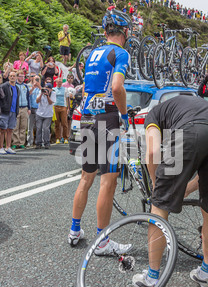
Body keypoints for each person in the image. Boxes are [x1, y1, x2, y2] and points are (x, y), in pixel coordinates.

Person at [132, 95, 208, 287]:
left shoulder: (153, 114)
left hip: (188, 131)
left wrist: (157, 187)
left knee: (159, 208)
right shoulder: (195, 105)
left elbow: (152, 153)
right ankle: (206, 274)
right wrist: (184, 188)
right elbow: (202, 177)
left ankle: (152, 278)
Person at [67, 9, 132, 256]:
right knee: (109, 179)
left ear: (106, 32)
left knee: (86, 177)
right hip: (108, 117)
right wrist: (124, 116)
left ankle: (75, 230)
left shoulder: (93, 52)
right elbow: (117, 87)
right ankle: (102, 241)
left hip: (87, 117)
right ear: (125, 33)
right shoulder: (121, 53)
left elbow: (88, 88)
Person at [0, 71, 19, 155]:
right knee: (2, 129)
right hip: (4, 111)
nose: (12, 77)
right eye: (11, 76)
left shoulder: (17, 88)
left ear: (16, 77)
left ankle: (8, 147)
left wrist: (16, 111)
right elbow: (0, 97)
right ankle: (0, 147)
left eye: (14, 76)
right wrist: (3, 107)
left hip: (13, 111)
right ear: (8, 77)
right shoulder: (4, 86)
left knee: (10, 130)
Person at [12, 70, 31, 149]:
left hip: (24, 107)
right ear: (17, 77)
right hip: (17, 108)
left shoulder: (25, 86)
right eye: (20, 76)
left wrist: (29, 108)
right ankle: (15, 142)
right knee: (16, 126)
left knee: (23, 126)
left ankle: (22, 142)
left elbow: (28, 97)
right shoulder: (14, 85)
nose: (22, 78)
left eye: (23, 76)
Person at [35, 83, 55, 149]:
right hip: (39, 113)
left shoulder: (53, 94)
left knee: (46, 128)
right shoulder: (40, 92)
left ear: (51, 89)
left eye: (48, 88)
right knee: (39, 128)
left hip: (48, 114)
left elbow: (50, 103)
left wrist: (47, 96)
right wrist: (41, 94)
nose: (46, 89)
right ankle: (38, 143)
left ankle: (47, 143)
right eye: (45, 88)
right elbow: (37, 101)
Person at [27, 74, 41, 147]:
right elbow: (28, 94)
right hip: (32, 108)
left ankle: (38, 141)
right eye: (36, 79)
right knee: (30, 126)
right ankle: (30, 141)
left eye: (38, 79)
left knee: (39, 126)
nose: (37, 81)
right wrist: (33, 87)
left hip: (39, 109)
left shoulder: (41, 88)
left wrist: (39, 86)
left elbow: (44, 93)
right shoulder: (30, 87)